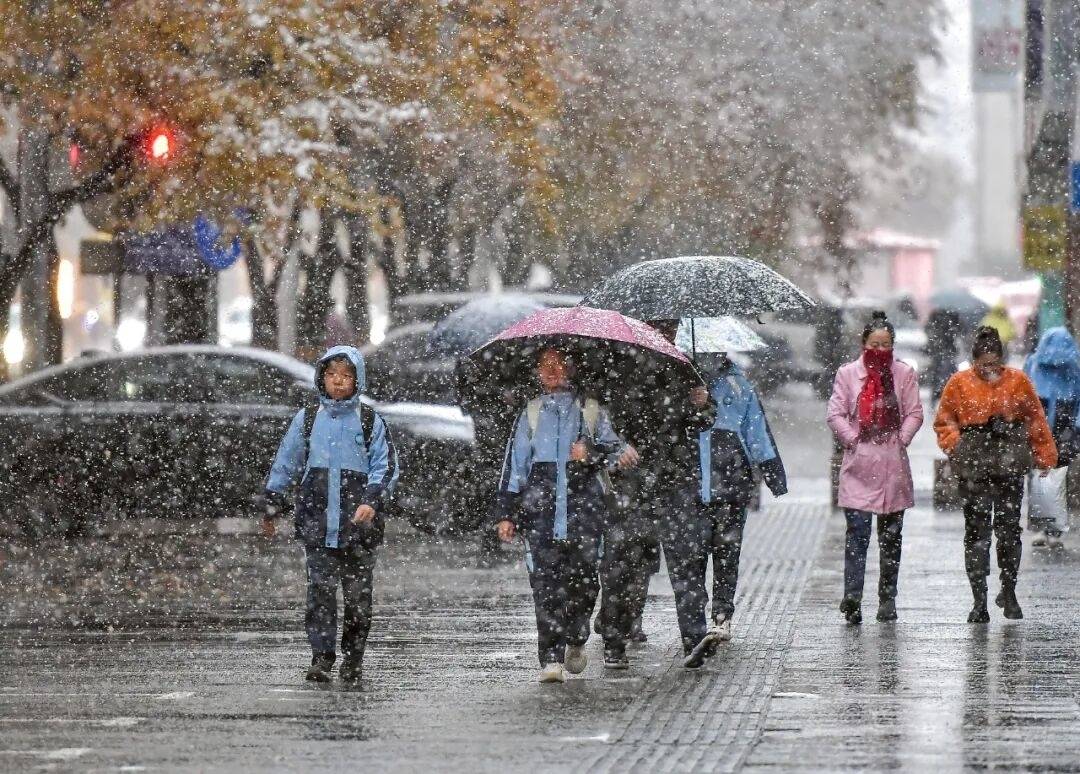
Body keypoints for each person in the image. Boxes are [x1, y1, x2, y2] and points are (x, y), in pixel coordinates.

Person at [493, 348, 634, 683]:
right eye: (545, 366)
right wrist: (507, 513)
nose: (552, 371)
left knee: (585, 579)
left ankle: (576, 634)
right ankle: (551, 658)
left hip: (585, 507)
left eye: (559, 364)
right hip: (539, 510)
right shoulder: (530, 413)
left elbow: (619, 454)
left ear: (572, 369)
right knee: (544, 583)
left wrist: (591, 454)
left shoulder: (591, 411)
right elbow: (515, 468)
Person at [263, 346, 399, 685]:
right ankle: (321, 656)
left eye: (346, 376)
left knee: (357, 597)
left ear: (357, 381)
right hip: (317, 521)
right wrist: (272, 500)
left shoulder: (369, 420)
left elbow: (386, 466)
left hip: (359, 526)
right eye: (332, 375)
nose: (338, 382)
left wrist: (372, 500)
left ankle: (353, 657)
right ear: (322, 378)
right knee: (320, 592)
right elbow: (288, 460)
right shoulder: (308, 418)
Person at [602, 318, 717, 669]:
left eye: (672, 326)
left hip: (674, 476)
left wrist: (702, 405)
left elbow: (705, 419)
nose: (666, 332)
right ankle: (614, 638)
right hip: (635, 480)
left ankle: (694, 638)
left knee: (686, 559)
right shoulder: (621, 367)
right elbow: (605, 422)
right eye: (661, 326)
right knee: (625, 560)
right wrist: (618, 447)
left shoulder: (685, 366)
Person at [934, 327, 1056, 623]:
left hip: (1009, 465)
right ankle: (979, 600)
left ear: (1002, 359)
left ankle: (1009, 588)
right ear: (975, 360)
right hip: (973, 465)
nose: (990, 370)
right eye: (984, 364)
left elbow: (1035, 418)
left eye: (995, 363)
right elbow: (944, 421)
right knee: (977, 534)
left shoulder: (1018, 381)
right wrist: (958, 445)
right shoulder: (958, 383)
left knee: (1009, 531)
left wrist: (1044, 455)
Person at [676, 352, 787, 665]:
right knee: (693, 555)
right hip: (691, 485)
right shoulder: (680, 383)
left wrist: (772, 472)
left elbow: (757, 433)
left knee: (726, 553)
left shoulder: (738, 386)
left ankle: (722, 615)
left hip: (731, 484)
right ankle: (696, 622)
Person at [827, 311, 924, 625]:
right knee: (857, 536)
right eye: (874, 344)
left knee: (891, 539)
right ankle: (852, 596)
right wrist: (853, 439)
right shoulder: (847, 374)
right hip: (859, 464)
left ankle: (887, 598)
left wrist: (902, 439)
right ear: (863, 343)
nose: (879, 350)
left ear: (893, 345)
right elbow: (836, 413)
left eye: (885, 344)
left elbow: (914, 412)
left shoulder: (904, 374)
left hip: (892, 466)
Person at [1024, 327, 1080, 548]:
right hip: (1042, 431)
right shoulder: (1035, 365)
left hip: (1062, 432)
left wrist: (1075, 428)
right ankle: (1043, 527)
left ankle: (1052, 528)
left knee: (1053, 478)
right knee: (1042, 477)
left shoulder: (1073, 370)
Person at [925, 308, 961, 402]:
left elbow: (928, 330)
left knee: (941, 372)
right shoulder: (951, 316)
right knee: (943, 372)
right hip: (942, 350)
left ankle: (940, 394)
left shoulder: (938, 316)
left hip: (941, 349)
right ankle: (941, 394)